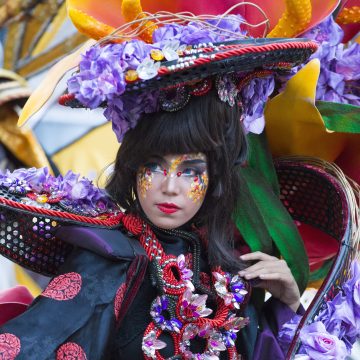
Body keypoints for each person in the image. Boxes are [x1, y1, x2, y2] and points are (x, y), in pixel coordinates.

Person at [0, 4, 318, 359]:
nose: (170, 187)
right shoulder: (111, 261)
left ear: (216, 177)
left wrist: (287, 302)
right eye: (154, 166)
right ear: (133, 168)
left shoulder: (224, 271)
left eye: (191, 171)